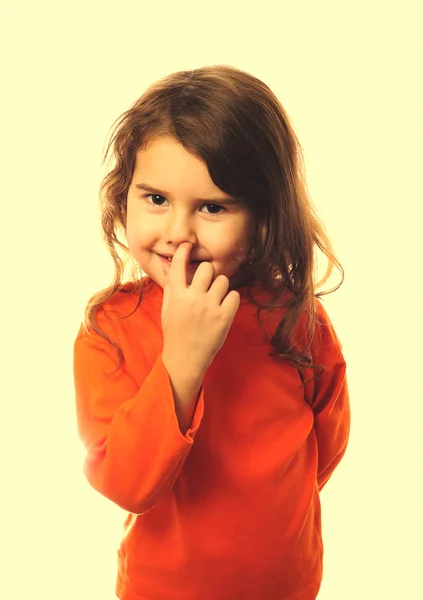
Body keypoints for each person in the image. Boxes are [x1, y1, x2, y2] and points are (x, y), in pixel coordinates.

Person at [73, 64, 351, 600]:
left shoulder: (296, 317)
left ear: (264, 215)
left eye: (212, 207)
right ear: (121, 196)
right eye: (155, 199)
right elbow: (127, 485)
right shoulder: (110, 331)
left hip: (288, 586)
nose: (178, 234)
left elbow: (324, 447)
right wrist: (181, 362)